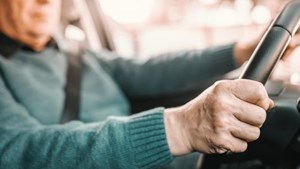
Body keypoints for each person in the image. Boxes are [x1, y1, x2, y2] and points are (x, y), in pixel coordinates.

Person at [0, 0, 297, 169]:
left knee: (283, 123)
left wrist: (241, 50)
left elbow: (153, 71)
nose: (45, 2)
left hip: (175, 162)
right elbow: (20, 151)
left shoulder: (79, 53)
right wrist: (182, 127)